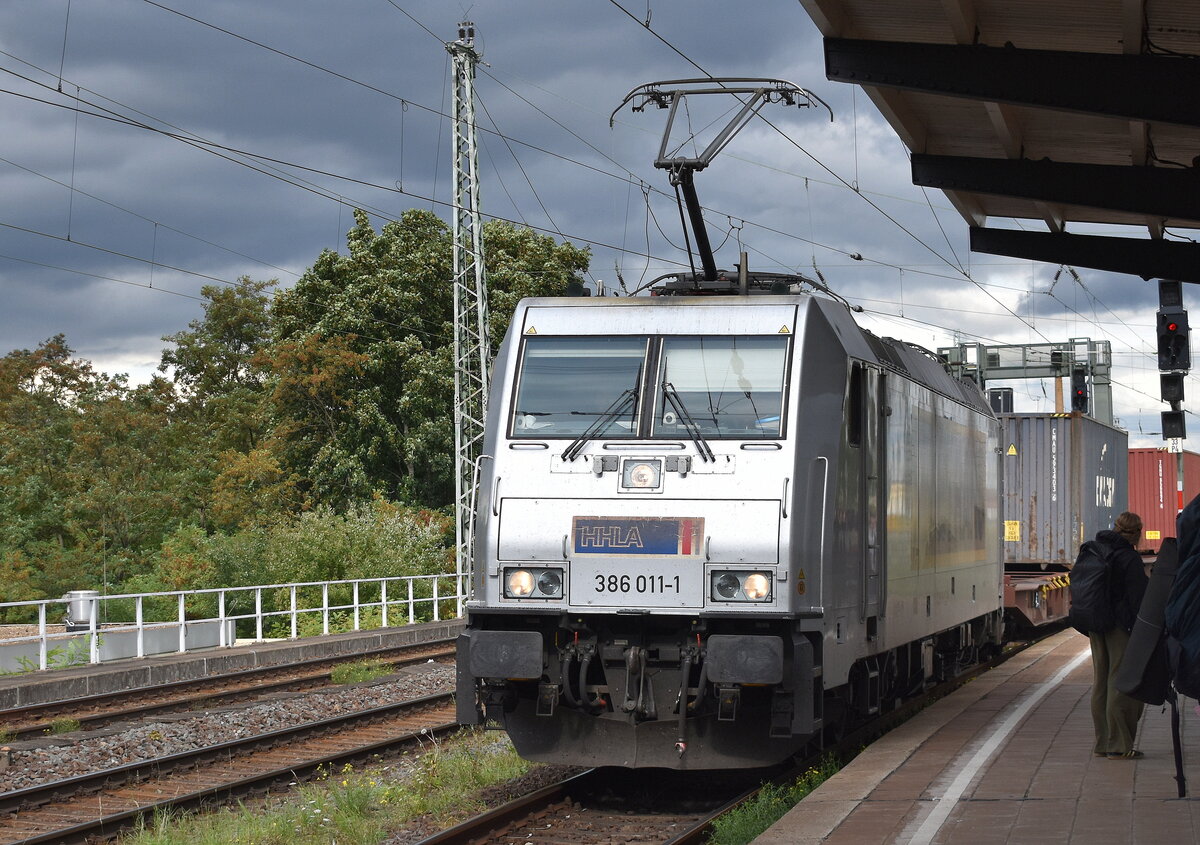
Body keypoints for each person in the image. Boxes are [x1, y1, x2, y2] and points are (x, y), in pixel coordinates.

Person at [1089, 511, 1150, 759]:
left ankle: (1103, 742)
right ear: (1137, 533)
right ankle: (1119, 745)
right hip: (1119, 628)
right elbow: (1139, 600)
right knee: (1121, 682)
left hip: (1095, 625)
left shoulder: (1097, 551)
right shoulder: (1129, 558)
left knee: (1101, 681)